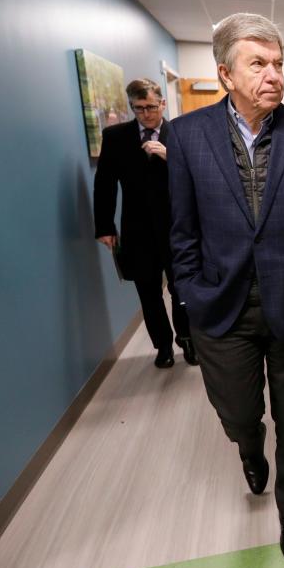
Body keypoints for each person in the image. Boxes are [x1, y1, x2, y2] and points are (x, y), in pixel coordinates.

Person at [166, 13, 284, 560]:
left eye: (278, 64)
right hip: (222, 307)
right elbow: (183, 230)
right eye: (258, 64)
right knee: (240, 412)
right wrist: (191, 293)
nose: (272, 75)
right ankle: (249, 446)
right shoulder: (185, 136)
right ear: (225, 75)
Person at [94, 78, 196, 368]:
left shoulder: (180, 133)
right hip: (137, 229)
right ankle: (162, 346)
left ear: (162, 103)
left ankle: (188, 340)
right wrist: (104, 227)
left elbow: (197, 177)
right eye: (138, 109)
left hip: (178, 226)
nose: (146, 114)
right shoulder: (115, 137)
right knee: (148, 292)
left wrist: (170, 156)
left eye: (151, 106)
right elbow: (104, 184)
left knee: (183, 289)